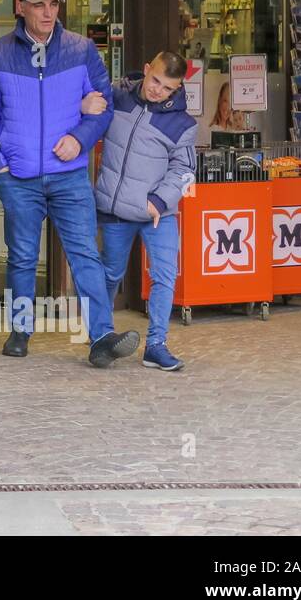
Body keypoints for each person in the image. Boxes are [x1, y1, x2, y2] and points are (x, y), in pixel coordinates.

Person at [0, 0, 137, 367]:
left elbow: (104, 108)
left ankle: (101, 337)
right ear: (22, 8)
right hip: (19, 175)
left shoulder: (81, 50)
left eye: (54, 4)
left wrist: (80, 140)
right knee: (23, 256)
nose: (49, 12)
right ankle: (20, 330)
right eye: (40, 4)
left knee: (84, 254)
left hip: (69, 173)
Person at [83, 51, 196, 371]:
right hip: (116, 210)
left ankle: (156, 345)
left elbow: (185, 169)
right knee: (110, 275)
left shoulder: (182, 123)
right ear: (147, 70)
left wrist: (159, 201)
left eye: (167, 88)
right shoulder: (117, 98)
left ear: (177, 89)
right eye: (155, 80)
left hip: (158, 213)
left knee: (164, 276)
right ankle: (98, 335)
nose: (158, 90)